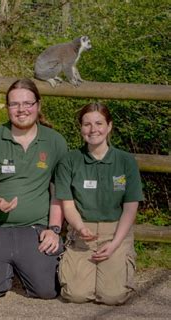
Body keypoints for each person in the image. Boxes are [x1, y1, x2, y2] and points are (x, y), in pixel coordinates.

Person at [0, 78, 68, 299]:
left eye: (27, 103)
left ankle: (21, 264)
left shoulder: (55, 142)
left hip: (34, 229)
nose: (21, 110)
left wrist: (54, 229)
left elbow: (58, 191)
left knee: (47, 290)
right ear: (8, 107)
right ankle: (5, 265)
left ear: (38, 105)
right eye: (14, 104)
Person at [54, 102, 143, 305]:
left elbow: (130, 208)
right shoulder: (69, 161)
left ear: (109, 126)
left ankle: (116, 266)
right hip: (82, 232)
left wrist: (114, 244)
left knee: (113, 297)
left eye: (99, 123)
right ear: (80, 128)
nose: (93, 129)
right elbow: (67, 205)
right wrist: (80, 227)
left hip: (115, 232)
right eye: (87, 124)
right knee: (75, 295)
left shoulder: (125, 161)